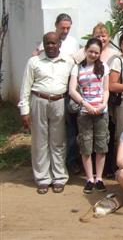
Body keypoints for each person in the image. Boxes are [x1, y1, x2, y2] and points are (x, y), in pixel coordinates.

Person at [19, 32, 74, 194]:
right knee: (39, 141)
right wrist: (24, 110)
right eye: (47, 43)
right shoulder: (33, 62)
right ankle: (43, 178)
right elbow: (25, 88)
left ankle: (59, 177)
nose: (50, 46)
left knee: (58, 141)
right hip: (39, 101)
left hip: (59, 103)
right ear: (43, 44)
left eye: (54, 43)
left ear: (59, 44)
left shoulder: (68, 62)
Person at [69, 38, 110, 194]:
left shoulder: (104, 67)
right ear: (86, 50)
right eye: (91, 51)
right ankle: (89, 179)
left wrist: (103, 104)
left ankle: (99, 178)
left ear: (100, 53)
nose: (93, 54)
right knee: (86, 145)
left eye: (96, 52)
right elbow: (72, 90)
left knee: (101, 144)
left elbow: (106, 89)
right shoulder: (77, 68)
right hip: (85, 111)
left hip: (101, 111)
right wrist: (85, 105)